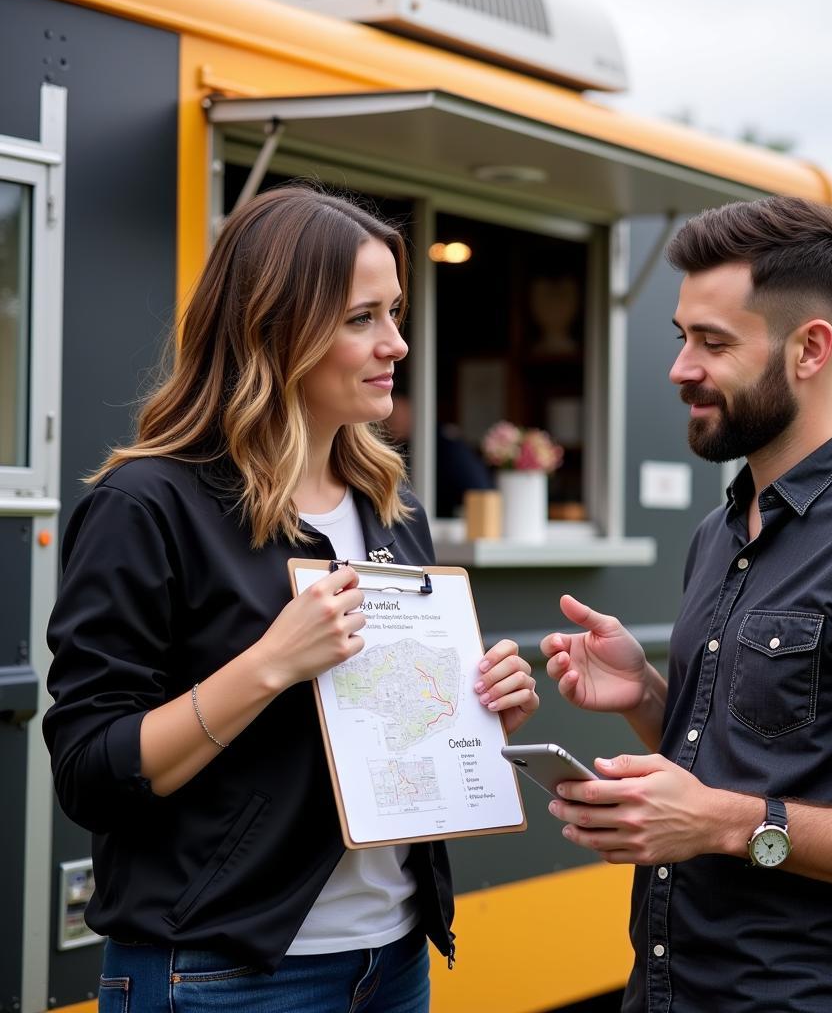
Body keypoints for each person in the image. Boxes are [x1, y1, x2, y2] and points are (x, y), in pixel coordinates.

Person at [43, 185, 539, 1013]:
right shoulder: (147, 505)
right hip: (219, 975)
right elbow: (90, 772)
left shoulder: (389, 501)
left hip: (392, 957)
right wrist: (270, 665)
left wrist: (474, 708)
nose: (399, 343)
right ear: (274, 330)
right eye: (363, 319)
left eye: (396, 313)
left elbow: (375, 728)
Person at [540, 196, 832, 1012]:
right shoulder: (719, 532)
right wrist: (649, 695)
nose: (681, 367)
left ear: (809, 350)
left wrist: (724, 824)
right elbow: (767, 755)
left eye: (713, 342)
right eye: (681, 336)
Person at [384, 393, 493, 517]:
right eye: (388, 419)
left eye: (394, 417)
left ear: (412, 411)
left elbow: (479, 489)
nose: (389, 423)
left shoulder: (444, 445)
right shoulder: (401, 446)